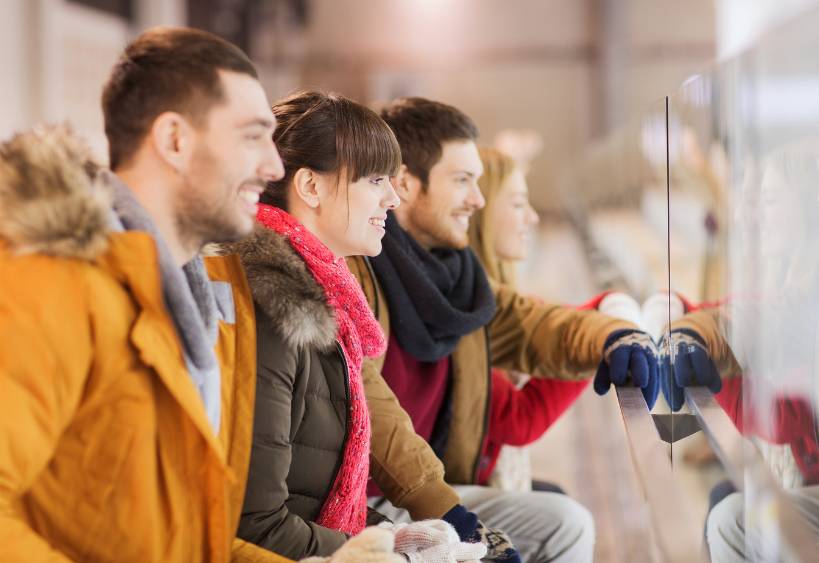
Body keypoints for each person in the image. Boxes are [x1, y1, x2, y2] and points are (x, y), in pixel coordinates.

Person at [0, 27, 293, 562]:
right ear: (175, 140)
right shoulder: (51, 283)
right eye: (253, 136)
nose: (274, 168)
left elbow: (183, 535)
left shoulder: (185, 300)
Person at [346, 96, 661, 562]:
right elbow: (372, 411)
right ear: (407, 184)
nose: (477, 199)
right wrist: (453, 518)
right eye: (462, 181)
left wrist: (613, 334)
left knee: (567, 522)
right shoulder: (360, 272)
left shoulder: (456, 275)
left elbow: (535, 325)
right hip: (366, 501)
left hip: (434, 489)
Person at [230, 91, 486, 562]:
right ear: (310, 187)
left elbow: (310, 502)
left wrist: (399, 538)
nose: (392, 197)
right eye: (375, 179)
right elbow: (257, 525)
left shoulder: (326, 296)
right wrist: (390, 553)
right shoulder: (274, 310)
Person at [468, 146, 589, 491]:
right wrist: (595, 337)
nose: (533, 218)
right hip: (461, 490)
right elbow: (518, 420)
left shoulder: (497, 290)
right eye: (519, 204)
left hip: (482, 473)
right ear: (482, 213)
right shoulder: (465, 301)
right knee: (564, 514)